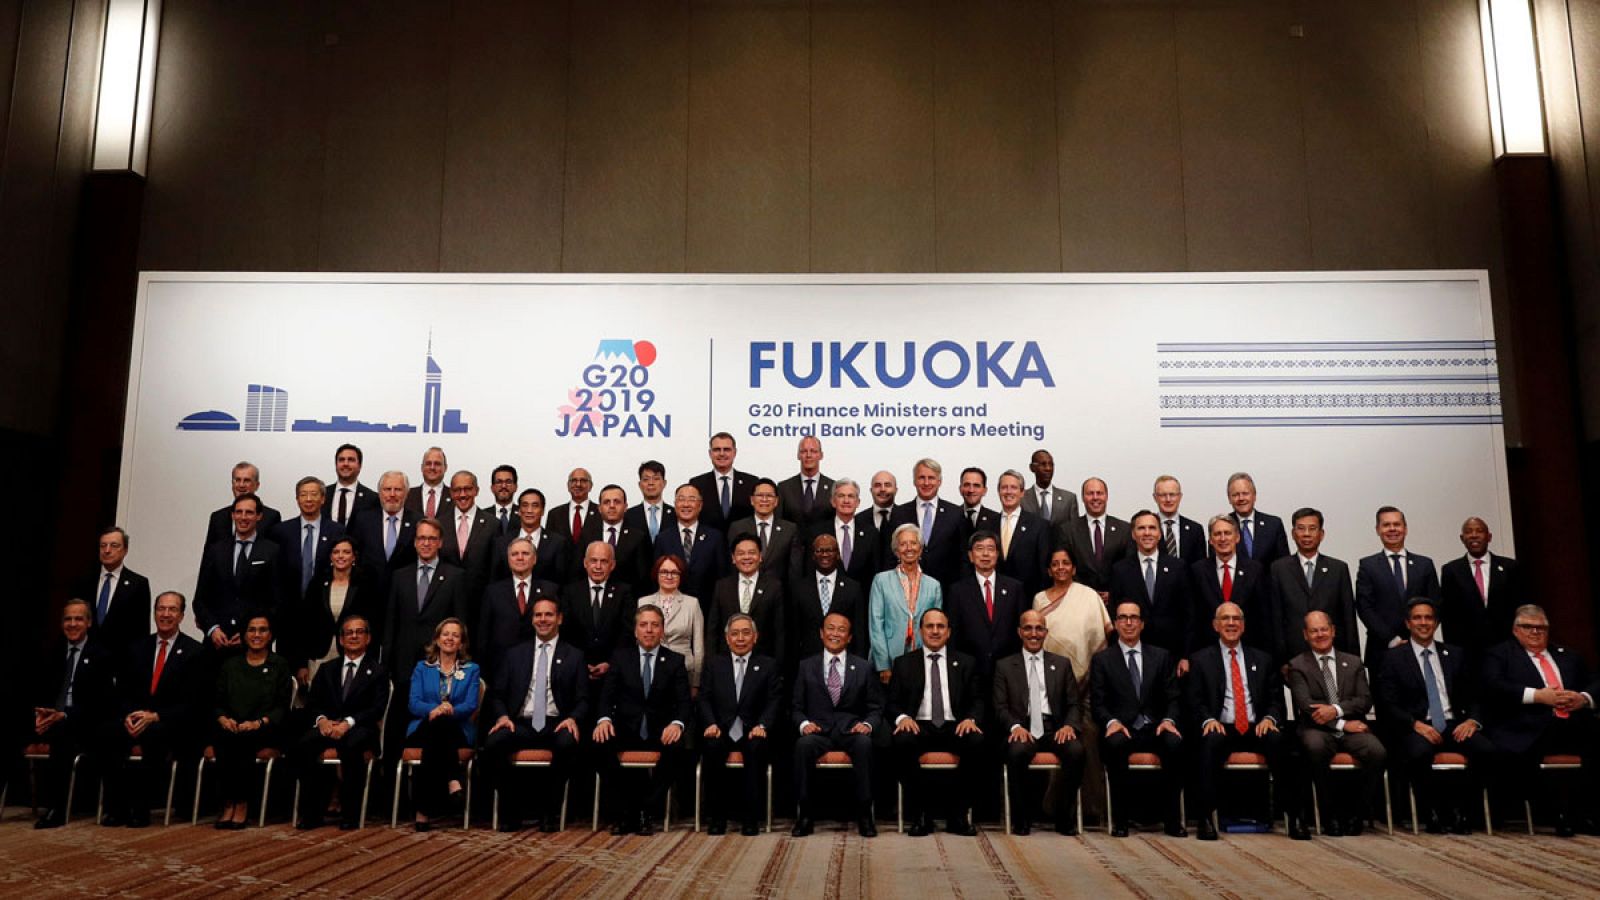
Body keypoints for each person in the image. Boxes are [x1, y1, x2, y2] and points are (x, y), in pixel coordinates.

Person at [1184, 602, 1305, 840]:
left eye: (1236, 619)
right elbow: (1193, 701)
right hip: (1222, 726)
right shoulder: (1201, 660)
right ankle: (1206, 818)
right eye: (1226, 619)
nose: (1231, 623)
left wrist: (1270, 718)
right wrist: (1207, 719)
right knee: (1208, 742)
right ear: (1215, 625)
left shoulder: (1263, 658)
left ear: (1244, 625)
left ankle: (1295, 817)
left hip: (1255, 727)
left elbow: (1275, 699)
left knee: (1281, 742)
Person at [1377, 599, 1495, 834]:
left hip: (1455, 723)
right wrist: (1415, 724)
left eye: (1428, 618)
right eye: (1418, 618)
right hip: (1417, 725)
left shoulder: (1455, 654)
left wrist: (1472, 720)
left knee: (1486, 751)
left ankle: (1463, 812)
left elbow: (1475, 694)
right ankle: (1432, 812)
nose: (1424, 623)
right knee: (1418, 753)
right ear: (1408, 623)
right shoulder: (1394, 658)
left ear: (1436, 623)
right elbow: (1387, 703)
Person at [1481, 604, 1600, 836]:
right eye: (1528, 627)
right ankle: (1560, 814)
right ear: (1516, 630)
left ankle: (1588, 815)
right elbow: (1493, 688)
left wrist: (1583, 698)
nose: (1536, 632)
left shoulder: (1568, 656)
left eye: (1541, 628)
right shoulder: (1501, 655)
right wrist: (1537, 696)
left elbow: (1594, 681)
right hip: (1527, 725)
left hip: (1574, 722)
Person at [483, 597, 587, 833]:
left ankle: (550, 812)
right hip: (520, 723)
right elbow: (496, 694)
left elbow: (583, 699)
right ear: (532, 620)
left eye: (548, 615)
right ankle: (511, 811)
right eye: (538, 615)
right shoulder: (514, 654)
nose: (543, 620)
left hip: (556, 723)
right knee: (493, 744)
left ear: (559, 618)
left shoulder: (574, 655)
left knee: (568, 744)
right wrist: (502, 717)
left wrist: (573, 718)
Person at [100, 591, 203, 827]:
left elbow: (193, 703)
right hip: (136, 719)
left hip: (171, 723)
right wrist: (129, 715)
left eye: (172, 609)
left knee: (154, 735)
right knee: (107, 733)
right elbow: (123, 692)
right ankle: (116, 807)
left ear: (181, 616)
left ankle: (141, 808)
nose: (165, 614)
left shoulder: (194, 652)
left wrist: (155, 716)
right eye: (161, 609)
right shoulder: (137, 648)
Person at [592, 605, 693, 835]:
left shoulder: (675, 661)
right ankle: (624, 810)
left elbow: (684, 703)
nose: (649, 630)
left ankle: (646, 809)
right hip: (627, 728)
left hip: (660, 730)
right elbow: (607, 696)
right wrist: (604, 719)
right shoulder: (620, 658)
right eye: (643, 625)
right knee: (599, 743)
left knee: (678, 748)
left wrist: (677, 724)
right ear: (636, 631)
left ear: (662, 630)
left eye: (655, 625)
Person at [1287, 611, 1385, 836]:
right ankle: (1329, 815)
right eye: (1314, 630)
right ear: (1305, 635)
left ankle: (1356, 814)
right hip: (1317, 729)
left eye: (1323, 629)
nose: (1320, 634)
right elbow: (1306, 705)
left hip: (1353, 729)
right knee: (1314, 747)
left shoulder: (1353, 662)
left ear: (1333, 631)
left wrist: (1337, 710)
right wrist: (1342, 725)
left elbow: (1364, 700)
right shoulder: (1298, 665)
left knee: (1376, 751)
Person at [1091, 601, 1184, 838]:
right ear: (1116, 624)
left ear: (1142, 624)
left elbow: (1173, 697)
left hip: (1155, 727)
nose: (1129, 622)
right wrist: (1111, 722)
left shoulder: (1161, 657)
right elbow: (1098, 703)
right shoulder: (1102, 660)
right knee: (1114, 744)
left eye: (1134, 617)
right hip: (1122, 728)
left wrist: (1169, 720)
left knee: (1175, 744)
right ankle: (1121, 821)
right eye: (1123, 617)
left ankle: (1172, 821)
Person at [888, 608, 983, 836]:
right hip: (919, 725)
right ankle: (920, 815)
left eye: (940, 626)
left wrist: (971, 719)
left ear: (948, 632)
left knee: (977, 741)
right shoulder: (903, 663)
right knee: (901, 742)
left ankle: (958, 815)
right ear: (920, 631)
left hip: (955, 726)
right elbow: (891, 702)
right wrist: (903, 718)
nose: (935, 631)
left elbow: (978, 699)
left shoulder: (966, 662)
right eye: (929, 626)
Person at [995, 609, 1088, 835]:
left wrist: (1069, 726)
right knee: (1016, 752)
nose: (1034, 633)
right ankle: (1022, 819)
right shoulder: (1005, 666)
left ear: (1046, 632)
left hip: (1054, 729)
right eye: (1028, 628)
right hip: (1022, 729)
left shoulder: (1062, 664)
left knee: (1076, 751)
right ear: (1019, 632)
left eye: (1039, 628)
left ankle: (1064, 817)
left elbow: (1075, 704)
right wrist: (1015, 727)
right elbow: (999, 706)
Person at [292, 614, 388, 830]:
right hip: (328, 727)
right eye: (348, 632)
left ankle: (350, 814)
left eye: (359, 632)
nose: (354, 636)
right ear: (341, 639)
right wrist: (322, 720)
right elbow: (313, 704)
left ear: (368, 638)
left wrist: (348, 723)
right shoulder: (327, 669)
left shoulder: (378, 671)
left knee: (351, 745)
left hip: (361, 729)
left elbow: (377, 709)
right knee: (304, 744)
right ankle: (311, 813)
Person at [791, 612, 882, 837]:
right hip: (818, 730)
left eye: (841, 630)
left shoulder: (863, 667)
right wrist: (803, 724)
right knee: (803, 745)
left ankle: (865, 814)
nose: (835, 633)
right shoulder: (806, 666)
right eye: (830, 628)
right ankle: (805, 815)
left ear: (849, 637)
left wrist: (868, 725)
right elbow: (795, 707)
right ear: (821, 634)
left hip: (850, 729)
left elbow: (876, 707)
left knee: (865, 744)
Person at [32, 601, 114, 829]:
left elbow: (101, 704)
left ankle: (55, 808)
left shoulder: (102, 656)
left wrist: (64, 715)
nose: (72, 624)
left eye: (78, 619)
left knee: (62, 734)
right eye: (68, 619)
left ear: (88, 622)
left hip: (80, 723)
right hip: (48, 718)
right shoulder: (51, 653)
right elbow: (37, 690)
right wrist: (40, 713)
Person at [698, 613, 782, 836]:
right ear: (727, 638)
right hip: (722, 728)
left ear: (755, 637)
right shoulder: (714, 664)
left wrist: (763, 725)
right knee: (712, 747)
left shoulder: (768, 665)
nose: (740, 638)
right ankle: (717, 818)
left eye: (746, 633)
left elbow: (775, 700)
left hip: (753, 729)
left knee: (756, 749)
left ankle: (751, 819)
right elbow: (704, 697)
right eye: (734, 633)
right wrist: (711, 723)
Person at [210, 613, 292, 829]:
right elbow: (217, 700)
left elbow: (282, 707)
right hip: (232, 725)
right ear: (244, 635)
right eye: (252, 630)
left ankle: (242, 804)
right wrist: (223, 718)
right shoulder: (230, 664)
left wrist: (259, 723)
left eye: (262, 630)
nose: (257, 635)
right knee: (224, 738)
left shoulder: (279, 664)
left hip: (266, 728)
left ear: (271, 635)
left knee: (243, 740)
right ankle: (228, 803)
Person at [403, 618, 480, 831]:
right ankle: (453, 779)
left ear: (462, 643)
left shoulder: (472, 669)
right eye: (445, 634)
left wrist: (449, 710)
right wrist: (433, 710)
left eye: (455, 635)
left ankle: (422, 812)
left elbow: (471, 704)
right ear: (437, 639)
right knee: (437, 727)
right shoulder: (421, 668)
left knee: (441, 727)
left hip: (458, 729)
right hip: (423, 726)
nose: (450, 638)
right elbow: (413, 702)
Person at [382, 518, 466, 710]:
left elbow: (460, 622)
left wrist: (458, 660)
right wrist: (386, 663)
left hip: (440, 661)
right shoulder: (399, 576)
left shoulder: (455, 576)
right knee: (402, 718)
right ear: (414, 542)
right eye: (421, 538)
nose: (426, 543)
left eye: (431, 538)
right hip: (403, 663)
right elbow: (390, 623)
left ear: (440, 542)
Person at [1356, 506, 1441, 670]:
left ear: (1405, 528)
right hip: (1382, 650)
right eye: (1386, 525)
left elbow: (1436, 604)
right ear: (1378, 530)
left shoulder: (1424, 565)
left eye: (1397, 524)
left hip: (1421, 648)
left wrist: (1418, 637)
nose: (1392, 529)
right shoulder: (1368, 566)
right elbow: (1364, 607)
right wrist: (1391, 639)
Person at [194, 493, 282, 651]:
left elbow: (276, 601)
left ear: (259, 516)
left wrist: (253, 633)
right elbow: (200, 599)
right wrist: (213, 629)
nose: (243, 517)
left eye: (249, 512)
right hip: (217, 643)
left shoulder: (272, 551)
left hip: (254, 645)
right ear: (232, 515)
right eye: (239, 512)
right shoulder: (216, 550)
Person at [1270, 508, 1358, 660]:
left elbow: (1348, 617)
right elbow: (1276, 618)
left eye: (1312, 528)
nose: (1306, 534)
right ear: (1293, 533)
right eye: (1301, 528)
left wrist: (1354, 659)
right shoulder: (1279, 568)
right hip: (1294, 655)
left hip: (1334, 653)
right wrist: (1281, 660)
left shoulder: (1338, 568)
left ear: (1321, 534)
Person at [560, 541, 638, 710]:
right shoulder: (570, 592)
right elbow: (566, 632)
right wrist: (581, 663)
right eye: (593, 561)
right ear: (585, 563)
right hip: (578, 672)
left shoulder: (624, 592)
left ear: (612, 565)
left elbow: (628, 632)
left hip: (614, 672)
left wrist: (610, 663)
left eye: (603, 561)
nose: (598, 566)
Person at [1108, 510, 1191, 664]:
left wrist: (1185, 656)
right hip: (1134, 652)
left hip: (1172, 652)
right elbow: (1114, 612)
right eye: (1141, 528)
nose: (1147, 533)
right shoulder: (1120, 569)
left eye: (1152, 528)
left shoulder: (1178, 567)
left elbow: (1187, 614)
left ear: (1160, 533)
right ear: (1133, 534)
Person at [1188, 515, 1276, 657]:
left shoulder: (1255, 570)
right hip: (1208, 652)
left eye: (1227, 533)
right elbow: (1192, 616)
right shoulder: (1197, 571)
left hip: (1249, 649)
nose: (1223, 538)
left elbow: (1264, 616)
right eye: (1217, 534)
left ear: (1237, 537)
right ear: (1210, 540)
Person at [944, 530, 1024, 685]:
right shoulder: (957, 591)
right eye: (979, 549)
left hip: (1008, 671)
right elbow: (953, 634)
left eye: (991, 549)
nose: (985, 554)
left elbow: (1020, 631)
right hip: (970, 671)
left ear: (998, 554)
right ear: (971, 556)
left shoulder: (1015, 588)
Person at [294, 536, 378, 684]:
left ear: (354, 557)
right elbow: (304, 623)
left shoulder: (365, 584)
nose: (340, 556)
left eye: (346, 552)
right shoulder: (318, 583)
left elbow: (372, 623)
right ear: (330, 556)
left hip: (352, 655)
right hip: (319, 654)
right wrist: (301, 664)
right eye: (336, 552)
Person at [1439, 516, 1522, 663]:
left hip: (1506, 647)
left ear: (1489, 537)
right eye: (1469, 531)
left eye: (1479, 531)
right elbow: (1448, 615)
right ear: (1462, 538)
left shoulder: (1510, 567)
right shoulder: (1451, 570)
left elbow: (1520, 607)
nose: (1474, 535)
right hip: (1467, 651)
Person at [868, 524, 944, 682]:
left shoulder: (934, 585)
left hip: (921, 658)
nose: (909, 548)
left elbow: (936, 627)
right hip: (889, 658)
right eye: (903, 544)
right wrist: (884, 665)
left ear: (921, 549)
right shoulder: (881, 581)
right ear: (896, 551)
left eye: (913, 543)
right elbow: (876, 625)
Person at [476, 537, 559, 680]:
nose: (520, 558)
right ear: (508, 560)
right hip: (500, 669)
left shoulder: (550, 589)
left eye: (525, 554)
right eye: (515, 554)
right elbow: (483, 636)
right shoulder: (492, 592)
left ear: (534, 559)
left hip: (539, 667)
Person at [789, 534, 870, 662]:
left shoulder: (853, 588)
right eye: (819, 551)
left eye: (829, 550)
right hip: (808, 661)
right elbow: (793, 633)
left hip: (845, 661)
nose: (824, 555)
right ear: (813, 555)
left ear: (838, 554)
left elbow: (859, 632)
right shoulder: (799, 588)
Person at [710, 535, 786, 671]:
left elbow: (779, 631)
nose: (746, 557)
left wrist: (778, 667)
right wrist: (711, 664)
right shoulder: (722, 586)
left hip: (763, 662)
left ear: (760, 556)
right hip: (726, 662)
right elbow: (713, 629)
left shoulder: (774, 586)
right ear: (733, 558)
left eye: (751, 553)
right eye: (741, 553)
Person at [272, 476, 345, 616]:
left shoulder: (337, 531)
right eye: (303, 494)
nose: (308, 499)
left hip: (325, 608)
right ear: (297, 499)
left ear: (323, 499)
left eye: (314, 494)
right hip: (288, 609)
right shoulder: (281, 531)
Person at [73, 526, 152, 654]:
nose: (107, 550)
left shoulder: (138, 584)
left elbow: (141, 631)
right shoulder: (84, 581)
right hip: (86, 658)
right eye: (103, 545)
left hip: (120, 660)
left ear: (125, 550)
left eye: (114, 545)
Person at [887, 459, 963, 584]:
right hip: (905, 587)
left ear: (939, 481)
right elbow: (890, 555)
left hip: (947, 588)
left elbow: (962, 557)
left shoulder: (955, 513)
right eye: (921, 478)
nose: (926, 483)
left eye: (931, 478)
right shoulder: (899, 513)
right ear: (914, 481)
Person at [345, 470, 417, 602]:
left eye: (398, 489)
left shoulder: (417, 522)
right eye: (387, 489)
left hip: (404, 597)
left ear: (407, 493)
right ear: (379, 493)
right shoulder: (363, 519)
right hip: (367, 595)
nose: (392, 494)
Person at [652, 483, 727, 608]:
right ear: (675, 505)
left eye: (692, 499)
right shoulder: (663, 538)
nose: (686, 504)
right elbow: (656, 578)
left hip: (707, 607)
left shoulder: (715, 537)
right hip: (670, 607)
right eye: (681, 499)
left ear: (700, 505)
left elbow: (723, 576)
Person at [638, 555, 706, 691]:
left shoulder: (692, 603)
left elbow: (699, 647)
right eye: (664, 572)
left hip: (684, 670)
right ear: (656, 574)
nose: (669, 576)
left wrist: (696, 683)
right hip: (652, 669)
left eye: (674, 572)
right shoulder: (643, 602)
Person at [1056, 477, 1130, 597]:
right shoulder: (1067, 530)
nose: (1095, 497)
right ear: (1083, 498)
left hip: (1115, 601)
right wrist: (1088, 595)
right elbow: (1065, 567)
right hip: (1079, 600)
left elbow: (1128, 567)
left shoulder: (1124, 529)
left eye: (1099, 493)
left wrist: (1113, 593)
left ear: (1106, 496)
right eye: (1090, 493)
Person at [438, 470, 496, 623]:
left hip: (480, 604)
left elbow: (495, 568)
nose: (462, 494)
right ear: (451, 493)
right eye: (457, 490)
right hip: (445, 603)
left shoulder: (492, 524)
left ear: (476, 490)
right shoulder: (439, 523)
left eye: (467, 489)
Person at [490, 487, 571, 586]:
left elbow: (561, 581)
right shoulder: (502, 542)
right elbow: (495, 580)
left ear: (542, 511)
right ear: (519, 511)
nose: (529, 510)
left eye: (535, 506)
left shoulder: (557, 542)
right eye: (525, 505)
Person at [578, 484, 651, 591]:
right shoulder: (587, 535)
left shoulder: (638, 537)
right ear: (599, 508)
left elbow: (643, 577)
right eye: (606, 502)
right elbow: (578, 572)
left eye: (617, 502)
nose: (612, 506)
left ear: (625, 507)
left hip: (628, 599)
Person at [806, 477, 879, 584]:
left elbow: (875, 572)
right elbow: (810, 569)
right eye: (841, 496)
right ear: (833, 502)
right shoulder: (816, 532)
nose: (846, 500)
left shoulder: (871, 534)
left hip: (862, 598)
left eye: (851, 496)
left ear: (858, 502)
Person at [727, 478, 799, 586]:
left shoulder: (789, 529)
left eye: (769, 496)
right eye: (760, 495)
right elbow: (731, 565)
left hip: (779, 593)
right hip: (745, 590)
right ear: (752, 500)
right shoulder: (737, 527)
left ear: (776, 501)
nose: (764, 499)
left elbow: (794, 569)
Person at [994, 469, 1052, 599]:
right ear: (999, 492)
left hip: (1028, 598)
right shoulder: (988, 525)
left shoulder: (1039, 525)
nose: (1008, 492)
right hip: (995, 599)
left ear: (1022, 493)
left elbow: (1044, 569)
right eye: (1004, 487)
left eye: (1014, 487)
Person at [690, 432, 758, 534]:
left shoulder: (751, 482)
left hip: (742, 545)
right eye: (717, 450)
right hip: (708, 544)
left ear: (734, 453)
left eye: (726, 449)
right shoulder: (697, 484)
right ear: (710, 453)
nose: (722, 453)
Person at [203, 461, 282, 549]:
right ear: (232, 484)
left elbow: (275, 554)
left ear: (257, 485)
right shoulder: (218, 517)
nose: (241, 485)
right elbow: (208, 556)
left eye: (246, 480)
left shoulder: (271, 517)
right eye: (237, 480)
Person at [1225, 472, 1290, 567]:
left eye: (1245, 493)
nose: (1241, 498)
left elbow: (1284, 564)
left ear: (1254, 496)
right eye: (1235, 495)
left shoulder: (1274, 525)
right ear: (1229, 499)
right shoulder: (1222, 525)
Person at [776, 435, 834, 529]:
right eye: (804, 451)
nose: (808, 455)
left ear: (821, 455)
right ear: (798, 455)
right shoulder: (783, 488)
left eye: (813, 451)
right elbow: (778, 523)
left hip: (823, 542)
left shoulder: (833, 487)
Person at [1151, 475, 1204, 562]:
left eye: (1172, 495)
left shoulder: (1195, 530)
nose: (1168, 499)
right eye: (1163, 495)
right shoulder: (1147, 529)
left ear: (1180, 497)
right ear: (1155, 497)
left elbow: (1200, 566)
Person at [1021, 449, 1079, 529]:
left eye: (1051, 464)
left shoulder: (1069, 499)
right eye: (1043, 464)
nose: (1048, 468)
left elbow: (1075, 531)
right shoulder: (1021, 498)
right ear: (1032, 468)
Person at [625, 460, 675, 543]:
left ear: (664, 483)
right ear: (640, 484)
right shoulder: (628, 515)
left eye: (656, 479)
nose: (651, 483)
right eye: (646, 479)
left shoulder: (675, 514)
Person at [328, 443, 378, 527]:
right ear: (336, 464)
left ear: (359, 465)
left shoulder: (372, 498)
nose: (346, 464)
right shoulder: (322, 494)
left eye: (351, 460)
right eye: (341, 460)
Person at [546, 468, 597, 543]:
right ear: (568, 486)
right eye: (574, 480)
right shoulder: (554, 514)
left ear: (590, 486)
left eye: (583, 481)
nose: (578, 484)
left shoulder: (600, 512)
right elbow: (549, 545)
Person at [404, 447, 450, 520]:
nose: (432, 467)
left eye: (437, 464)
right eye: (428, 463)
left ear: (445, 467)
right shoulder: (407, 495)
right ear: (422, 467)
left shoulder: (455, 496)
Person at [956, 467, 1002, 541]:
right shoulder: (951, 517)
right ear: (960, 489)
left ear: (984, 491)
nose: (971, 490)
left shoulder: (996, 520)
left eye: (976, 486)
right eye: (967, 485)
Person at [868, 470, 899, 562]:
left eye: (887, 485)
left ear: (896, 490)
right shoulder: (858, 520)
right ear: (871, 490)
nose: (882, 489)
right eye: (877, 485)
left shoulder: (907, 518)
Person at [486, 465, 519, 535]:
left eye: (508, 482)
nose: (504, 486)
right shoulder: (482, 516)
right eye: (499, 482)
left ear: (515, 487)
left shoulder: (524, 514)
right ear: (492, 488)